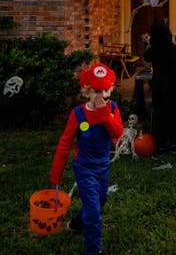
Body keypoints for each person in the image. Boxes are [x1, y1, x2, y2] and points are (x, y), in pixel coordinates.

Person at [49, 62, 123, 255]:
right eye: (98, 91)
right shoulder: (78, 114)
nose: (103, 96)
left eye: (107, 90)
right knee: (94, 212)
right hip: (84, 167)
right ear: (87, 91)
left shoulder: (112, 109)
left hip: (103, 164)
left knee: (101, 200)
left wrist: (105, 114)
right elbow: (65, 143)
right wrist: (56, 173)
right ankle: (93, 249)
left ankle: (75, 223)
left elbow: (117, 133)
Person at [143, 19, 176, 155]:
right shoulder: (172, 48)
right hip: (173, 83)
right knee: (174, 112)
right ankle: (174, 143)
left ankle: (161, 144)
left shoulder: (153, 49)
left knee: (160, 113)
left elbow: (146, 59)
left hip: (159, 84)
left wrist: (146, 43)